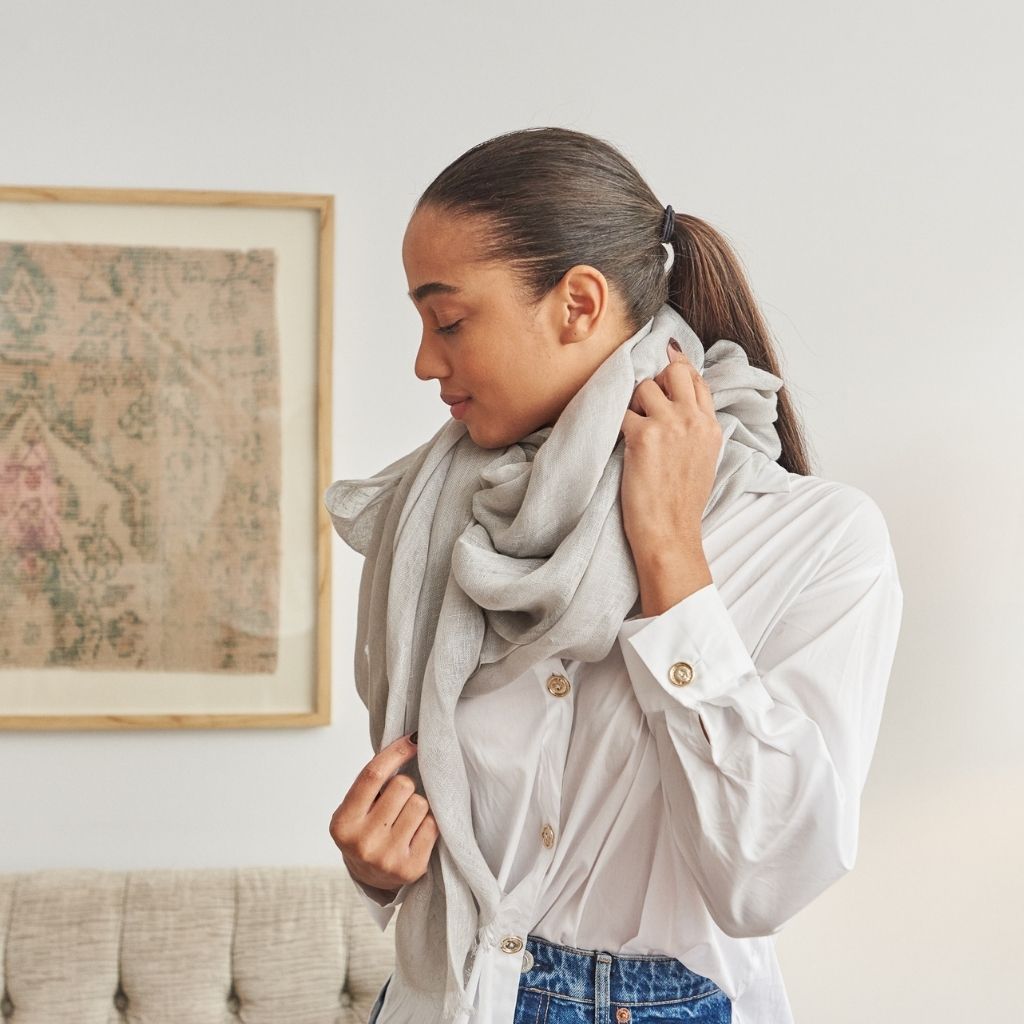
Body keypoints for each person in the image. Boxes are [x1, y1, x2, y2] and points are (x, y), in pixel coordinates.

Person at [327, 126, 903, 1024]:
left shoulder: (817, 540)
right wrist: (380, 865)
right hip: (450, 999)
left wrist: (672, 556)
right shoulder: (442, 522)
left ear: (579, 304)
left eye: (448, 321)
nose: (423, 362)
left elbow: (766, 879)